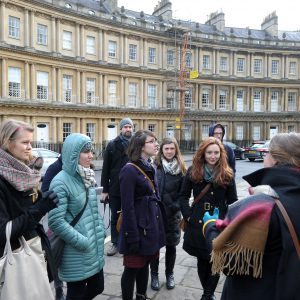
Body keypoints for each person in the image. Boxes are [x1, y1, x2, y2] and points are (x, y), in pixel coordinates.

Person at [203, 133, 300, 300]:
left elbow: (228, 261)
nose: (265, 156)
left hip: (258, 291)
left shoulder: (263, 205)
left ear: (275, 159)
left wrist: (210, 225)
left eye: (268, 152)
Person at [0, 119, 58, 294]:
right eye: (24, 142)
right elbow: (3, 232)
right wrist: (40, 208)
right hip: (17, 261)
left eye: (30, 142)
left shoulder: (23, 172)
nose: (29, 147)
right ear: (8, 142)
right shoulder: (3, 179)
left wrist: (41, 200)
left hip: (34, 252)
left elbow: (24, 209)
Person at [179, 137, 238, 300]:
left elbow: (233, 201)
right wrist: (188, 216)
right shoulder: (193, 170)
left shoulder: (227, 173)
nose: (213, 156)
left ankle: (207, 294)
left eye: (216, 153)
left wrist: (230, 221)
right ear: (203, 153)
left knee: (215, 260)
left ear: (221, 154)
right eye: (209, 152)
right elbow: (183, 196)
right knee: (202, 260)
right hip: (197, 222)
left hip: (218, 222)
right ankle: (208, 292)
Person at [48, 133, 105, 300]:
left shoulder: (85, 176)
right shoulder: (60, 182)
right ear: (73, 154)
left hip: (93, 247)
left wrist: (100, 230)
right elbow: (56, 221)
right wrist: (82, 241)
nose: (91, 156)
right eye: (86, 151)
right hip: (76, 250)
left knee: (98, 287)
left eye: (91, 151)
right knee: (76, 293)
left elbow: (93, 209)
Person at [118, 130, 166, 300]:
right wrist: (132, 237)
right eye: (151, 141)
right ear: (140, 146)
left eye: (155, 141)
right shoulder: (129, 170)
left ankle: (141, 296)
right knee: (131, 268)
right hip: (137, 229)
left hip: (150, 225)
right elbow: (127, 207)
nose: (156, 144)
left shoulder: (150, 166)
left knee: (145, 264)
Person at [149, 137, 187, 290]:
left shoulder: (182, 169)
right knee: (155, 247)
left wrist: (174, 206)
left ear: (176, 150)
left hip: (173, 215)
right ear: (162, 150)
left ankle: (170, 274)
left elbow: (184, 193)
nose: (169, 151)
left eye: (172, 149)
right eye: (166, 149)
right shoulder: (154, 167)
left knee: (171, 247)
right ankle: (154, 275)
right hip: (156, 214)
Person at [101, 117, 134, 256]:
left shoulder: (136, 144)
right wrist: (105, 190)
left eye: (130, 127)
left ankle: (128, 242)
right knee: (115, 216)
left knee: (131, 215)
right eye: (125, 127)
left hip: (132, 187)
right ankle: (115, 242)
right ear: (120, 129)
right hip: (115, 188)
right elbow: (105, 168)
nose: (128, 129)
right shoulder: (112, 145)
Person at [41, 155, 65, 300]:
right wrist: (61, 197)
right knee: (55, 255)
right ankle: (59, 289)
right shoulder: (55, 167)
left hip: (74, 218)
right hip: (58, 217)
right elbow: (44, 190)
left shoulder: (78, 167)